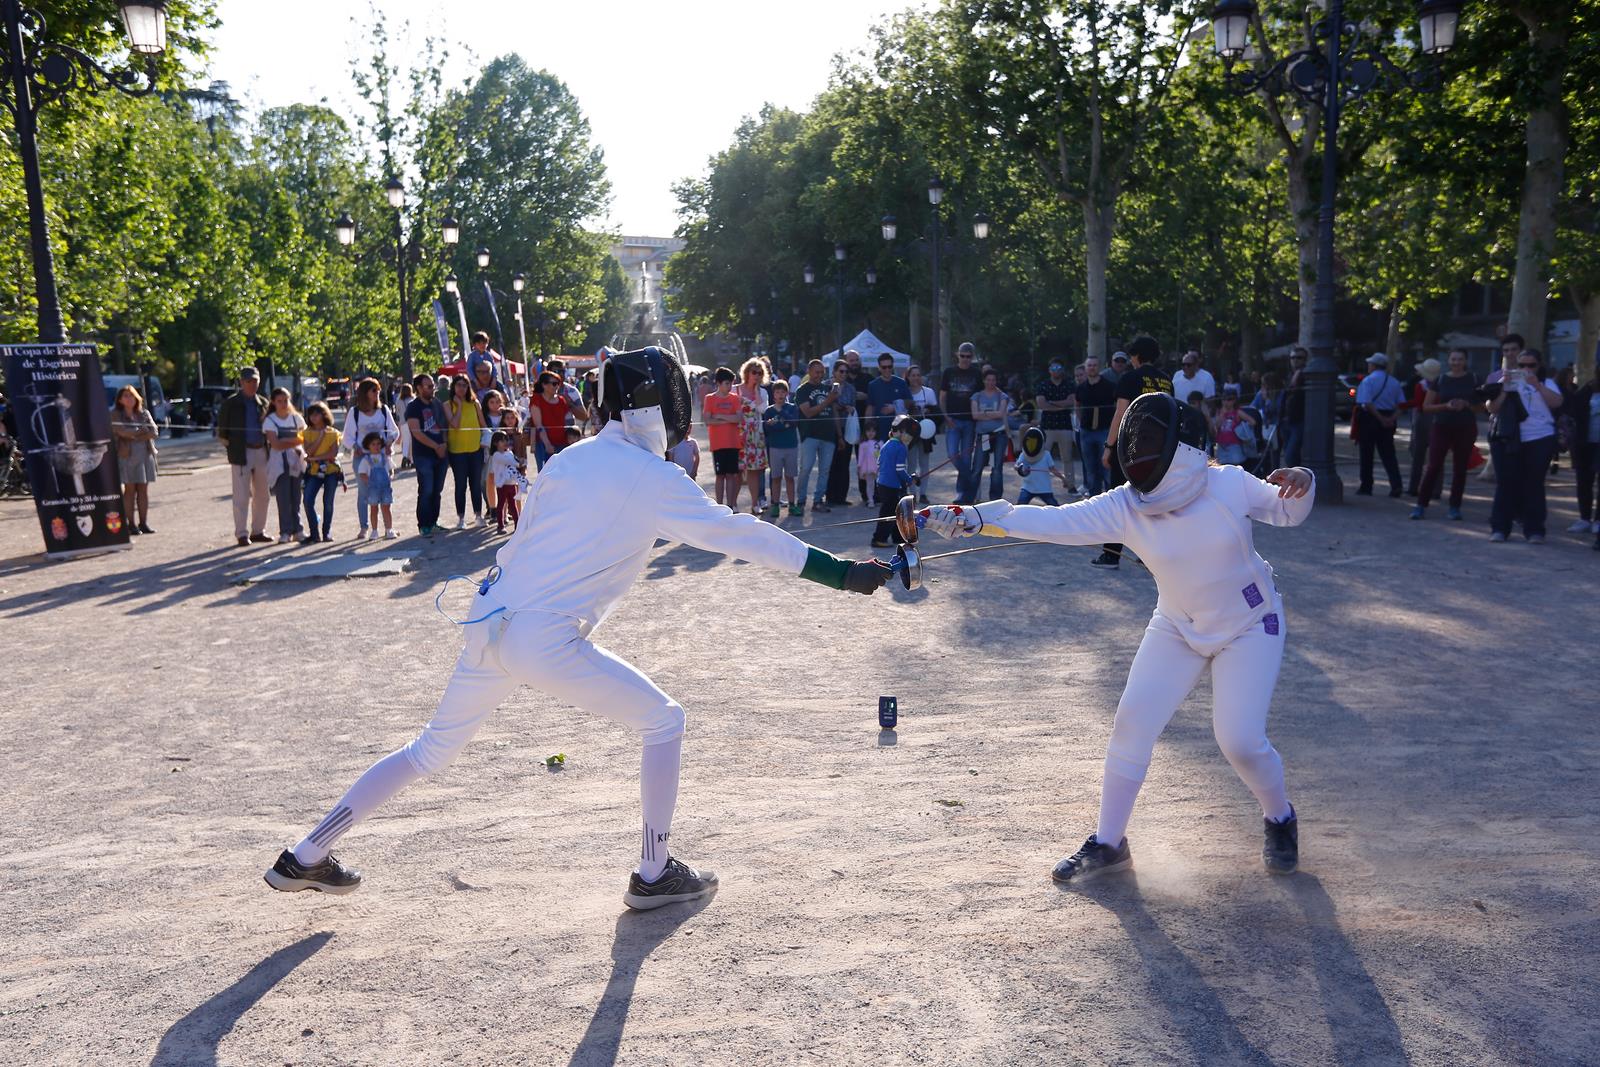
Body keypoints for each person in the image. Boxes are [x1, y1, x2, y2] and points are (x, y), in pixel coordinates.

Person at [265, 346, 894, 906]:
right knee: (664, 719)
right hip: (544, 637)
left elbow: (530, 538)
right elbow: (740, 534)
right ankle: (654, 873)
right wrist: (840, 574)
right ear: (655, 405)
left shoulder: (570, 458)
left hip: (488, 620)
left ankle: (307, 854)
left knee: (429, 750)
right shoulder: (652, 477)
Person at [923, 392, 1316, 882]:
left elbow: (1289, 512)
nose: (1140, 451)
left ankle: (1280, 818)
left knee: (1239, 740)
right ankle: (1110, 842)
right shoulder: (1125, 505)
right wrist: (975, 518)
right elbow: (1051, 522)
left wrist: (1303, 481)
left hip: (1251, 625)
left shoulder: (1230, 484)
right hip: (1176, 624)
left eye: (1151, 440)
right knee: (1132, 722)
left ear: (1184, 446)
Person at [1095, 336, 1174, 568]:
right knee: (1152, 500)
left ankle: (1111, 555)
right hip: (1159, 450)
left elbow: (1120, 413)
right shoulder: (1166, 381)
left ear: (1136, 356)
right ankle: (1150, 555)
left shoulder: (1129, 378)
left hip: (1129, 448)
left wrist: (1109, 447)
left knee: (1118, 500)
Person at [1486, 345, 1563, 543]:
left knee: (1534, 484)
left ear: (1539, 365)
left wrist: (1537, 385)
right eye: (1522, 365)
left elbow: (1557, 403)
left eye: (1531, 365)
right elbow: (1492, 408)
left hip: (1540, 437)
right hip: (1510, 437)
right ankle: (1500, 528)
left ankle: (1534, 530)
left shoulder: (1545, 382)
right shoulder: (1507, 379)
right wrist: (1504, 389)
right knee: (1506, 483)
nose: (1526, 369)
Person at [1412, 349, 1480, 521]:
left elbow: (1482, 407)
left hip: (1465, 427)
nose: (1456, 362)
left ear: (1465, 361)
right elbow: (1426, 407)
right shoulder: (1440, 380)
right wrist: (1446, 406)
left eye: (1460, 359)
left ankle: (1455, 506)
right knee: (1433, 466)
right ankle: (1421, 505)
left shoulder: (1474, 379)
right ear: (1448, 361)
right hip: (1441, 426)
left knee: (1460, 469)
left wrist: (1466, 404)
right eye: (1453, 359)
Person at [217, 368, 272, 546]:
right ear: (241, 382)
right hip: (242, 452)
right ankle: (241, 533)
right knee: (241, 496)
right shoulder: (231, 404)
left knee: (263, 494)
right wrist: (232, 450)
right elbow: (222, 431)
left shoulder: (263, 402)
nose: (252, 384)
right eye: (248, 381)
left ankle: (258, 531)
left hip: (261, 450)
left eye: (255, 381)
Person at [341, 378, 401, 539]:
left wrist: (388, 443)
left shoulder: (383, 410)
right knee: (364, 491)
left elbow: (394, 431)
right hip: (363, 457)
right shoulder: (355, 412)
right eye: (374, 390)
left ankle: (387, 527)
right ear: (365, 393)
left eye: (379, 390)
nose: (377, 393)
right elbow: (346, 436)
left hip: (380, 456)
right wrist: (356, 448)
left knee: (383, 490)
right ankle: (364, 526)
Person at [110, 385, 159, 536]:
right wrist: (139, 432)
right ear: (120, 399)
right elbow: (121, 432)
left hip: (145, 455)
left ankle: (143, 523)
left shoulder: (144, 413)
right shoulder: (115, 415)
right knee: (130, 491)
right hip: (126, 457)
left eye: (131, 395)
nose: (129, 399)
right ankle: (131, 524)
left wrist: (134, 435)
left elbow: (154, 432)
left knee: (143, 490)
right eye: (125, 396)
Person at [1354, 353, 1405, 497]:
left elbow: (1367, 402)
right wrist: (1390, 419)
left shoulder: (1368, 381)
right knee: (1389, 454)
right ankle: (1396, 485)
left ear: (1374, 366)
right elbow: (1401, 404)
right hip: (1389, 416)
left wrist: (1380, 418)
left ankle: (1366, 486)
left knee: (1366, 454)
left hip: (1370, 418)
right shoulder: (1394, 382)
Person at [405, 374, 449, 537]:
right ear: (418, 388)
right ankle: (424, 525)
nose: (432, 389)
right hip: (424, 455)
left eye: (433, 386)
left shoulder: (437, 404)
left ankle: (433, 522)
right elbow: (416, 432)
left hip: (441, 454)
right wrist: (435, 446)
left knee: (437, 490)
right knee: (426, 489)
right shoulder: (413, 407)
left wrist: (443, 444)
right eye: (429, 386)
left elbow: (444, 426)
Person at [793, 359, 839, 513]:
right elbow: (808, 412)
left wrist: (839, 435)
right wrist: (828, 400)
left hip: (829, 436)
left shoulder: (828, 389)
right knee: (805, 469)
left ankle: (818, 500)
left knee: (824, 470)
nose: (819, 375)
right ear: (809, 371)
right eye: (816, 372)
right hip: (810, 435)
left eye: (822, 372)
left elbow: (835, 413)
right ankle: (800, 501)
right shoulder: (802, 390)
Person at [940, 343, 983, 502]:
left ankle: (962, 494)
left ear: (972, 357)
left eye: (968, 356)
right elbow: (942, 396)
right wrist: (946, 416)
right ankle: (972, 482)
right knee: (952, 454)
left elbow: (981, 396)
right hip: (953, 420)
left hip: (970, 422)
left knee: (966, 459)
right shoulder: (949, 372)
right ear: (957, 355)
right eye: (962, 355)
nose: (965, 359)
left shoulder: (977, 373)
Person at [263, 388, 307, 544]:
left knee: (296, 497)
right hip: (279, 463)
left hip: (296, 461)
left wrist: (286, 441)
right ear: (273, 402)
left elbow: (305, 439)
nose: (283, 404)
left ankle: (298, 530)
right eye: (279, 401)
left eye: (285, 400)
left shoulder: (297, 419)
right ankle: (285, 531)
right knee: (283, 498)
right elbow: (275, 444)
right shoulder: (270, 420)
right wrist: (293, 441)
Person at [445, 374, 487, 528]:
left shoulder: (475, 403)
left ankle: (478, 515)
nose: (461, 388)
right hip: (457, 451)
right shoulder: (447, 405)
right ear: (453, 387)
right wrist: (460, 406)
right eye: (458, 385)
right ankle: (461, 518)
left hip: (476, 450)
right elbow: (455, 424)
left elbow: (483, 424)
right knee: (460, 485)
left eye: (464, 385)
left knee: (475, 484)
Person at [870, 415, 917, 548]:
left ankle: (898, 537)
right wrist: (909, 480)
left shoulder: (886, 444)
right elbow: (900, 470)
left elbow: (880, 463)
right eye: (908, 433)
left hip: (881, 484)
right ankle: (879, 538)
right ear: (901, 431)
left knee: (897, 511)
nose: (909, 437)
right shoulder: (901, 448)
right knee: (890, 513)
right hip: (892, 486)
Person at [1034, 360, 1078, 497]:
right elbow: (1041, 405)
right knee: (1041, 458)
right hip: (1047, 427)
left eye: (1059, 367)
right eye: (1053, 367)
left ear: (1062, 369)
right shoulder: (1043, 385)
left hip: (1065, 425)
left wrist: (1051, 403)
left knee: (1067, 458)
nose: (1056, 370)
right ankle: (1039, 486)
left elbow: (1070, 402)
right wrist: (1060, 405)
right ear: (1049, 370)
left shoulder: (1069, 384)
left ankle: (1071, 486)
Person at [702, 366, 744, 509]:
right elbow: (708, 420)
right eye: (727, 383)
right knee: (720, 476)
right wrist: (729, 419)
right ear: (718, 383)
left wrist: (719, 416)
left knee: (731, 475)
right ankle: (719, 506)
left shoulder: (735, 398)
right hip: (718, 444)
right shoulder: (710, 399)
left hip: (733, 443)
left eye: (731, 383)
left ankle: (731, 505)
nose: (730, 386)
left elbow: (738, 418)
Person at [1075, 356, 1116, 497]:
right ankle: (1094, 499)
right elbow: (1077, 405)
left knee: (1107, 467)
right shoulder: (1081, 388)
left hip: (1104, 431)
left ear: (1099, 367)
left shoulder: (1110, 386)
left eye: (1094, 365)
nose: (1092, 368)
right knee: (1090, 468)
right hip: (1086, 432)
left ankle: (1111, 498)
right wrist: (1081, 422)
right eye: (1089, 365)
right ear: (1086, 368)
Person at [528, 370, 585, 472]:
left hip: (562, 444)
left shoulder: (562, 400)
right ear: (544, 385)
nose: (557, 386)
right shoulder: (536, 400)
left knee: (563, 473)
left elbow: (570, 421)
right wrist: (547, 444)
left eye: (558, 383)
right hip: (543, 445)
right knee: (545, 475)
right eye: (554, 384)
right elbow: (538, 425)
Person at [301, 402, 341, 542]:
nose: (313, 417)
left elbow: (333, 454)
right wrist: (319, 437)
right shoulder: (307, 433)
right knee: (307, 500)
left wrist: (314, 458)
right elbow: (308, 450)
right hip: (313, 471)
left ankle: (326, 532)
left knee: (328, 502)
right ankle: (314, 533)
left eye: (317, 414)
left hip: (331, 470)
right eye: (311, 414)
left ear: (324, 415)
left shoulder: (333, 432)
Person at [970, 368, 1011, 501]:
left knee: (997, 467)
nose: (990, 382)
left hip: (999, 435)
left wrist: (984, 414)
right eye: (988, 379)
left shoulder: (1002, 396)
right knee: (977, 467)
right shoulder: (977, 396)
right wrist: (992, 414)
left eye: (993, 380)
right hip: (983, 435)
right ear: (984, 380)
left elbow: (1001, 413)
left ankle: (995, 498)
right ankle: (973, 496)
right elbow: (975, 415)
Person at [736, 359, 769, 516]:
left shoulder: (762, 392)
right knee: (737, 470)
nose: (757, 375)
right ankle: (733, 504)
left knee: (754, 471)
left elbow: (762, 409)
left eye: (760, 373)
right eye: (754, 372)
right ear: (747, 373)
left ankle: (755, 504)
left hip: (756, 435)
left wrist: (756, 392)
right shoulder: (735, 390)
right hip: (738, 434)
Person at [824, 360, 859, 506]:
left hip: (847, 428)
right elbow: (830, 405)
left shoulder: (850, 388)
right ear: (834, 372)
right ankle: (830, 496)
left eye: (846, 371)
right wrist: (841, 406)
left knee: (844, 464)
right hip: (830, 429)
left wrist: (842, 407)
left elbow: (850, 406)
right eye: (841, 371)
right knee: (831, 463)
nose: (843, 374)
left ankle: (841, 496)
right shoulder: (826, 385)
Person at [1569, 370, 1600, 536]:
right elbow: (1574, 410)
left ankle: (1598, 520)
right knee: (1584, 481)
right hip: (1585, 442)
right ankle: (1584, 518)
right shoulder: (1586, 391)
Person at [763, 380, 800, 517]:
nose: (780, 395)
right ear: (773, 395)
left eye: (782, 392)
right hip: (775, 447)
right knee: (776, 477)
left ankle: (792, 504)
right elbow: (768, 428)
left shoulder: (792, 408)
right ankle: (775, 504)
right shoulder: (769, 410)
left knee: (790, 477)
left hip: (791, 446)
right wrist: (782, 426)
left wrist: (782, 413)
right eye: (777, 392)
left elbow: (794, 422)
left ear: (787, 393)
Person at [1405, 358, 1441, 497]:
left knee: (1418, 457)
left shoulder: (1420, 386)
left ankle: (1413, 487)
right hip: (1438, 419)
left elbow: (1418, 404)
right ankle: (1436, 490)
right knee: (1437, 457)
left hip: (1422, 419)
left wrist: (1401, 405)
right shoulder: (1442, 384)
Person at [905, 365, 938, 503]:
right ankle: (912, 493)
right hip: (910, 431)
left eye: (918, 375)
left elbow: (936, 411)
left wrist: (928, 410)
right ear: (908, 377)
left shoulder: (929, 392)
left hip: (925, 431)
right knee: (911, 463)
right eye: (913, 375)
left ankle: (923, 493)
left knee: (924, 463)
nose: (916, 378)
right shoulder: (905, 392)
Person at [1015, 426, 1065, 507]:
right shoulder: (1024, 455)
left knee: (1055, 507)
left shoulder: (1046, 455)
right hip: (1027, 488)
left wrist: (1063, 478)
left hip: (1044, 488)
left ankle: (1061, 517)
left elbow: (1053, 469)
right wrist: (1019, 468)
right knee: (1019, 507)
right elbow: (1016, 466)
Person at [866, 352, 911, 441]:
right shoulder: (872, 385)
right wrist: (866, 428)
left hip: (899, 431)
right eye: (884, 367)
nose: (887, 369)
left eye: (889, 366)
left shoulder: (901, 383)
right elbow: (870, 407)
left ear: (893, 366)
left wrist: (895, 407)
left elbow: (910, 402)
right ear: (879, 368)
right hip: (879, 431)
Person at [360, 431, 396, 540]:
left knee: (386, 507)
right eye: (373, 444)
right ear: (368, 446)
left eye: (378, 444)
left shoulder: (385, 457)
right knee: (374, 509)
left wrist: (391, 476)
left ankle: (389, 529)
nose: (376, 446)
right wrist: (369, 482)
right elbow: (362, 473)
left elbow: (391, 469)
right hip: (373, 489)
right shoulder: (366, 460)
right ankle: (374, 530)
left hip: (385, 487)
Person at [487, 429, 522, 534]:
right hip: (502, 485)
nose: (505, 443)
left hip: (511, 484)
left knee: (513, 505)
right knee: (501, 505)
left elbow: (514, 462)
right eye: (502, 441)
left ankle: (517, 525)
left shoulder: (509, 453)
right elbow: (512, 462)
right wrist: (518, 462)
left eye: (506, 440)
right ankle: (500, 526)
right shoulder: (496, 455)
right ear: (495, 443)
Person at [1211, 393, 1258, 466]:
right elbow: (1216, 426)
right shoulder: (1219, 412)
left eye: (1229, 400)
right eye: (1224, 400)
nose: (1226, 402)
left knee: (1235, 466)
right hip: (1221, 445)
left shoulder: (1238, 412)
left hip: (1234, 445)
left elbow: (1252, 422)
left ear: (1234, 401)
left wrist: (1241, 429)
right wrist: (1222, 414)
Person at [1281, 347, 1308, 467]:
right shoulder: (1288, 375)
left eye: (1299, 358)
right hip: (1286, 421)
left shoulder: (1306, 375)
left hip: (1299, 421)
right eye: (1293, 358)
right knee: (1289, 455)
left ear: (1305, 360)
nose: (1295, 360)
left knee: (1290, 456)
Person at [856, 419, 881, 509]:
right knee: (869, 484)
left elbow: (881, 455)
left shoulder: (880, 443)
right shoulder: (863, 444)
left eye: (873, 431)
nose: (870, 433)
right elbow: (860, 457)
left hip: (878, 467)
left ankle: (880, 499)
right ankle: (870, 500)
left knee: (880, 484)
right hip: (868, 468)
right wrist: (859, 467)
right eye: (868, 431)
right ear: (865, 432)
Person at [396, 383, 415, 470]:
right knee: (413, 442)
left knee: (406, 441)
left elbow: (398, 413)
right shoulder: (412, 399)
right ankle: (412, 461)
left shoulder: (398, 401)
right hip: (413, 422)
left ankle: (404, 456)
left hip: (403, 423)